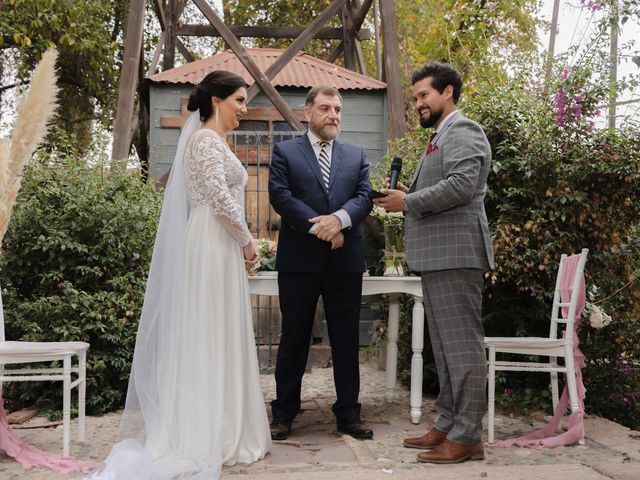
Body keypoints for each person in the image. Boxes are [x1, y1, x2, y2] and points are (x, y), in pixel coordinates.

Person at [85, 70, 271, 479]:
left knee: (217, 330)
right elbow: (220, 200)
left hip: (217, 240)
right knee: (208, 331)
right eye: (239, 100)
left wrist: (239, 239)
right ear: (218, 100)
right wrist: (246, 240)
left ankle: (224, 424)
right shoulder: (205, 140)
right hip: (211, 240)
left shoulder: (215, 140)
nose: (244, 108)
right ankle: (205, 432)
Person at [375, 62, 494, 464]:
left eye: (424, 95)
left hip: (456, 254)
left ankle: (467, 436)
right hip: (440, 255)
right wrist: (411, 194)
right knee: (444, 349)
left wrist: (407, 201)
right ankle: (446, 423)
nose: (419, 104)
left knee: (461, 347)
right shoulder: (441, 136)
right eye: (415, 99)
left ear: (447, 93)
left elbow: (462, 186)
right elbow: (445, 187)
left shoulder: (463, 130)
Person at [268, 86, 374, 441]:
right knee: (294, 337)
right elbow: (280, 196)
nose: (333, 115)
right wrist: (324, 228)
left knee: (345, 338)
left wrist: (340, 221)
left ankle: (348, 413)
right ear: (307, 112)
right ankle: (284, 412)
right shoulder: (285, 152)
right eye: (326, 108)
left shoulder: (356, 154)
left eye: (338, 109)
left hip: (345, 260)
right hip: (299, 261)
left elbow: (364, 198)